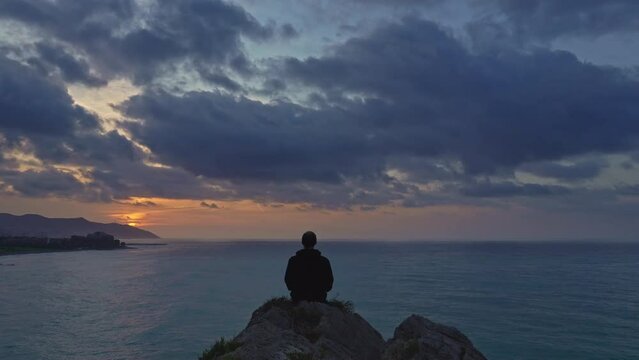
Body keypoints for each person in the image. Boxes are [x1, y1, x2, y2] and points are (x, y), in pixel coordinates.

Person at [285, 231, 334, 302]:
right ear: (315, 242)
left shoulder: (293, 261)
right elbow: (329, 283)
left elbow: (288, 280)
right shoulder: (324, 261)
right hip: (319, 299)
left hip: (298, 298)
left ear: (302, 242)